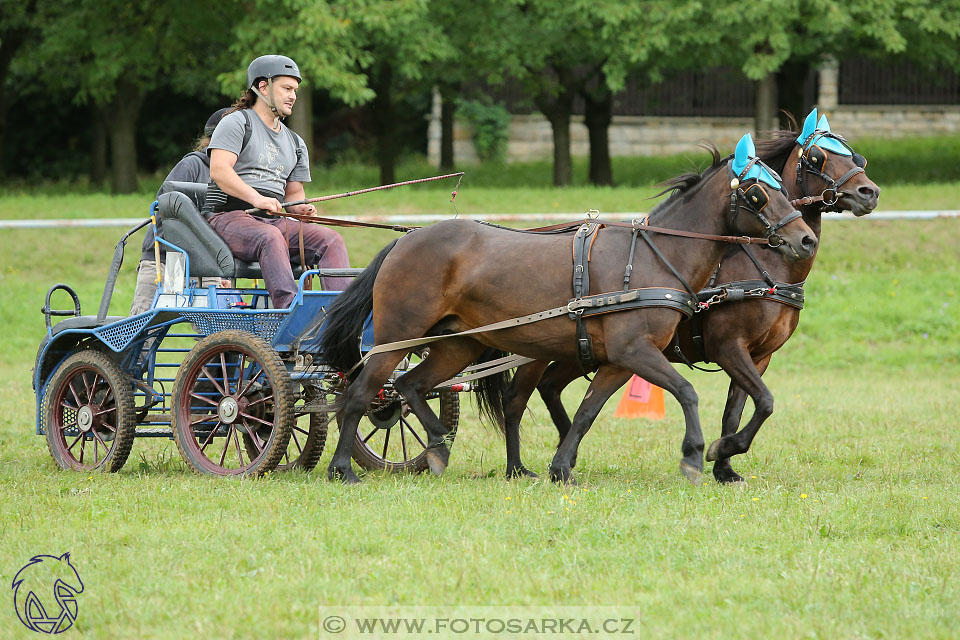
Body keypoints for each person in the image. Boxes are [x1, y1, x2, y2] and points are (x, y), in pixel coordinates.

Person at [202, 54, 351, 308]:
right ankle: (291, 312)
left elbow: (293, 195)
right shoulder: (237, 122)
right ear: (263, 87)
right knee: (270, 236)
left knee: (331, 240)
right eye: (286, 88)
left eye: (295, 90)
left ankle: (341, 316)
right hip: (229, 217)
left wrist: (300, 208)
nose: (293, 95)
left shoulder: (295, 142)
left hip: (272, 221)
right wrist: (257, 199)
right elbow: (219, 171)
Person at [129, 108, 230, 315]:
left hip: (208, 263)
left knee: (217, 332)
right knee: (142, 330)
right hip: (168, 258)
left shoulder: (237, 177)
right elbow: (167, 206)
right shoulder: (192, 165)